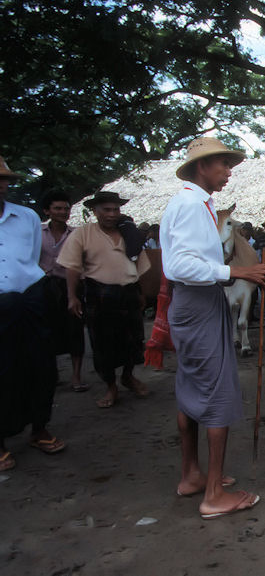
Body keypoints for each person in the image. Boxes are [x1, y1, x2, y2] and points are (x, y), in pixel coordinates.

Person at [160, 136, 265, 519]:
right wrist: (236, 271)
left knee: (191, 388)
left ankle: (192, 473)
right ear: (201, 167)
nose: (228, 172)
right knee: (217, 392)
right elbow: (179, 266)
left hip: (196, 302)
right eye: (222, 164)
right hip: (198, 302)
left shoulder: (198, 204)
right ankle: (213, 494)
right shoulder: (192, 205)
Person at [0, 156, 65, 471]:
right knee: (3, 370)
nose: (1, 185)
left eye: (3, 179)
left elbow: (32, 259)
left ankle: (39, 428)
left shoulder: (25, 217)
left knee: (42, 366)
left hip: (31, 297)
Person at [57, 191, 151, 409]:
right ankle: (111, 387)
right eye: (106, 210)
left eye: (116, 209)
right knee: (103, 344)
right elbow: (72, 267)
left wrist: (142, 293)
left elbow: (141, 267)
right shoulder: (84, 233)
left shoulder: (129, 233)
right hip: (99, 295)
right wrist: (72, 297)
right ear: (95, 211)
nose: (112, 214)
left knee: (134, 340)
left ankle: (128, 376)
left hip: (129, 292)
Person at [38, 189, 87, 392]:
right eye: (57, 208)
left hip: (70, 285)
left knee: (74, 329)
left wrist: (72, 294)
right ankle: (53, 373)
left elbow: (81, 262)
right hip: (42, 286)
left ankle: (76, 376)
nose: (63, 212)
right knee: (46, 330)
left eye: (66, 209)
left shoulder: (76, 234)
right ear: (47, 211)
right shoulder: (37, 233)